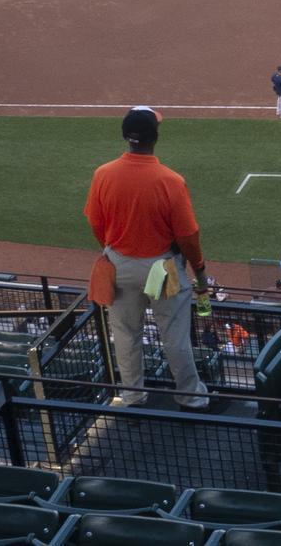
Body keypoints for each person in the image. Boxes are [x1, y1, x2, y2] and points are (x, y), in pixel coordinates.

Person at [84, 106, 213, 410]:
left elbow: (94, 223)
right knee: (174, 335)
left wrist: (113, 249)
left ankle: (133, 397)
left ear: (126, 138)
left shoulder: (103, 174)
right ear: (155, 138)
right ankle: (191, 397)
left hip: (118, 264)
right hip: (162, 269)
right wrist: (200, 271)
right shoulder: (170, 181)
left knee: (126, 335)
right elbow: (188, 236)